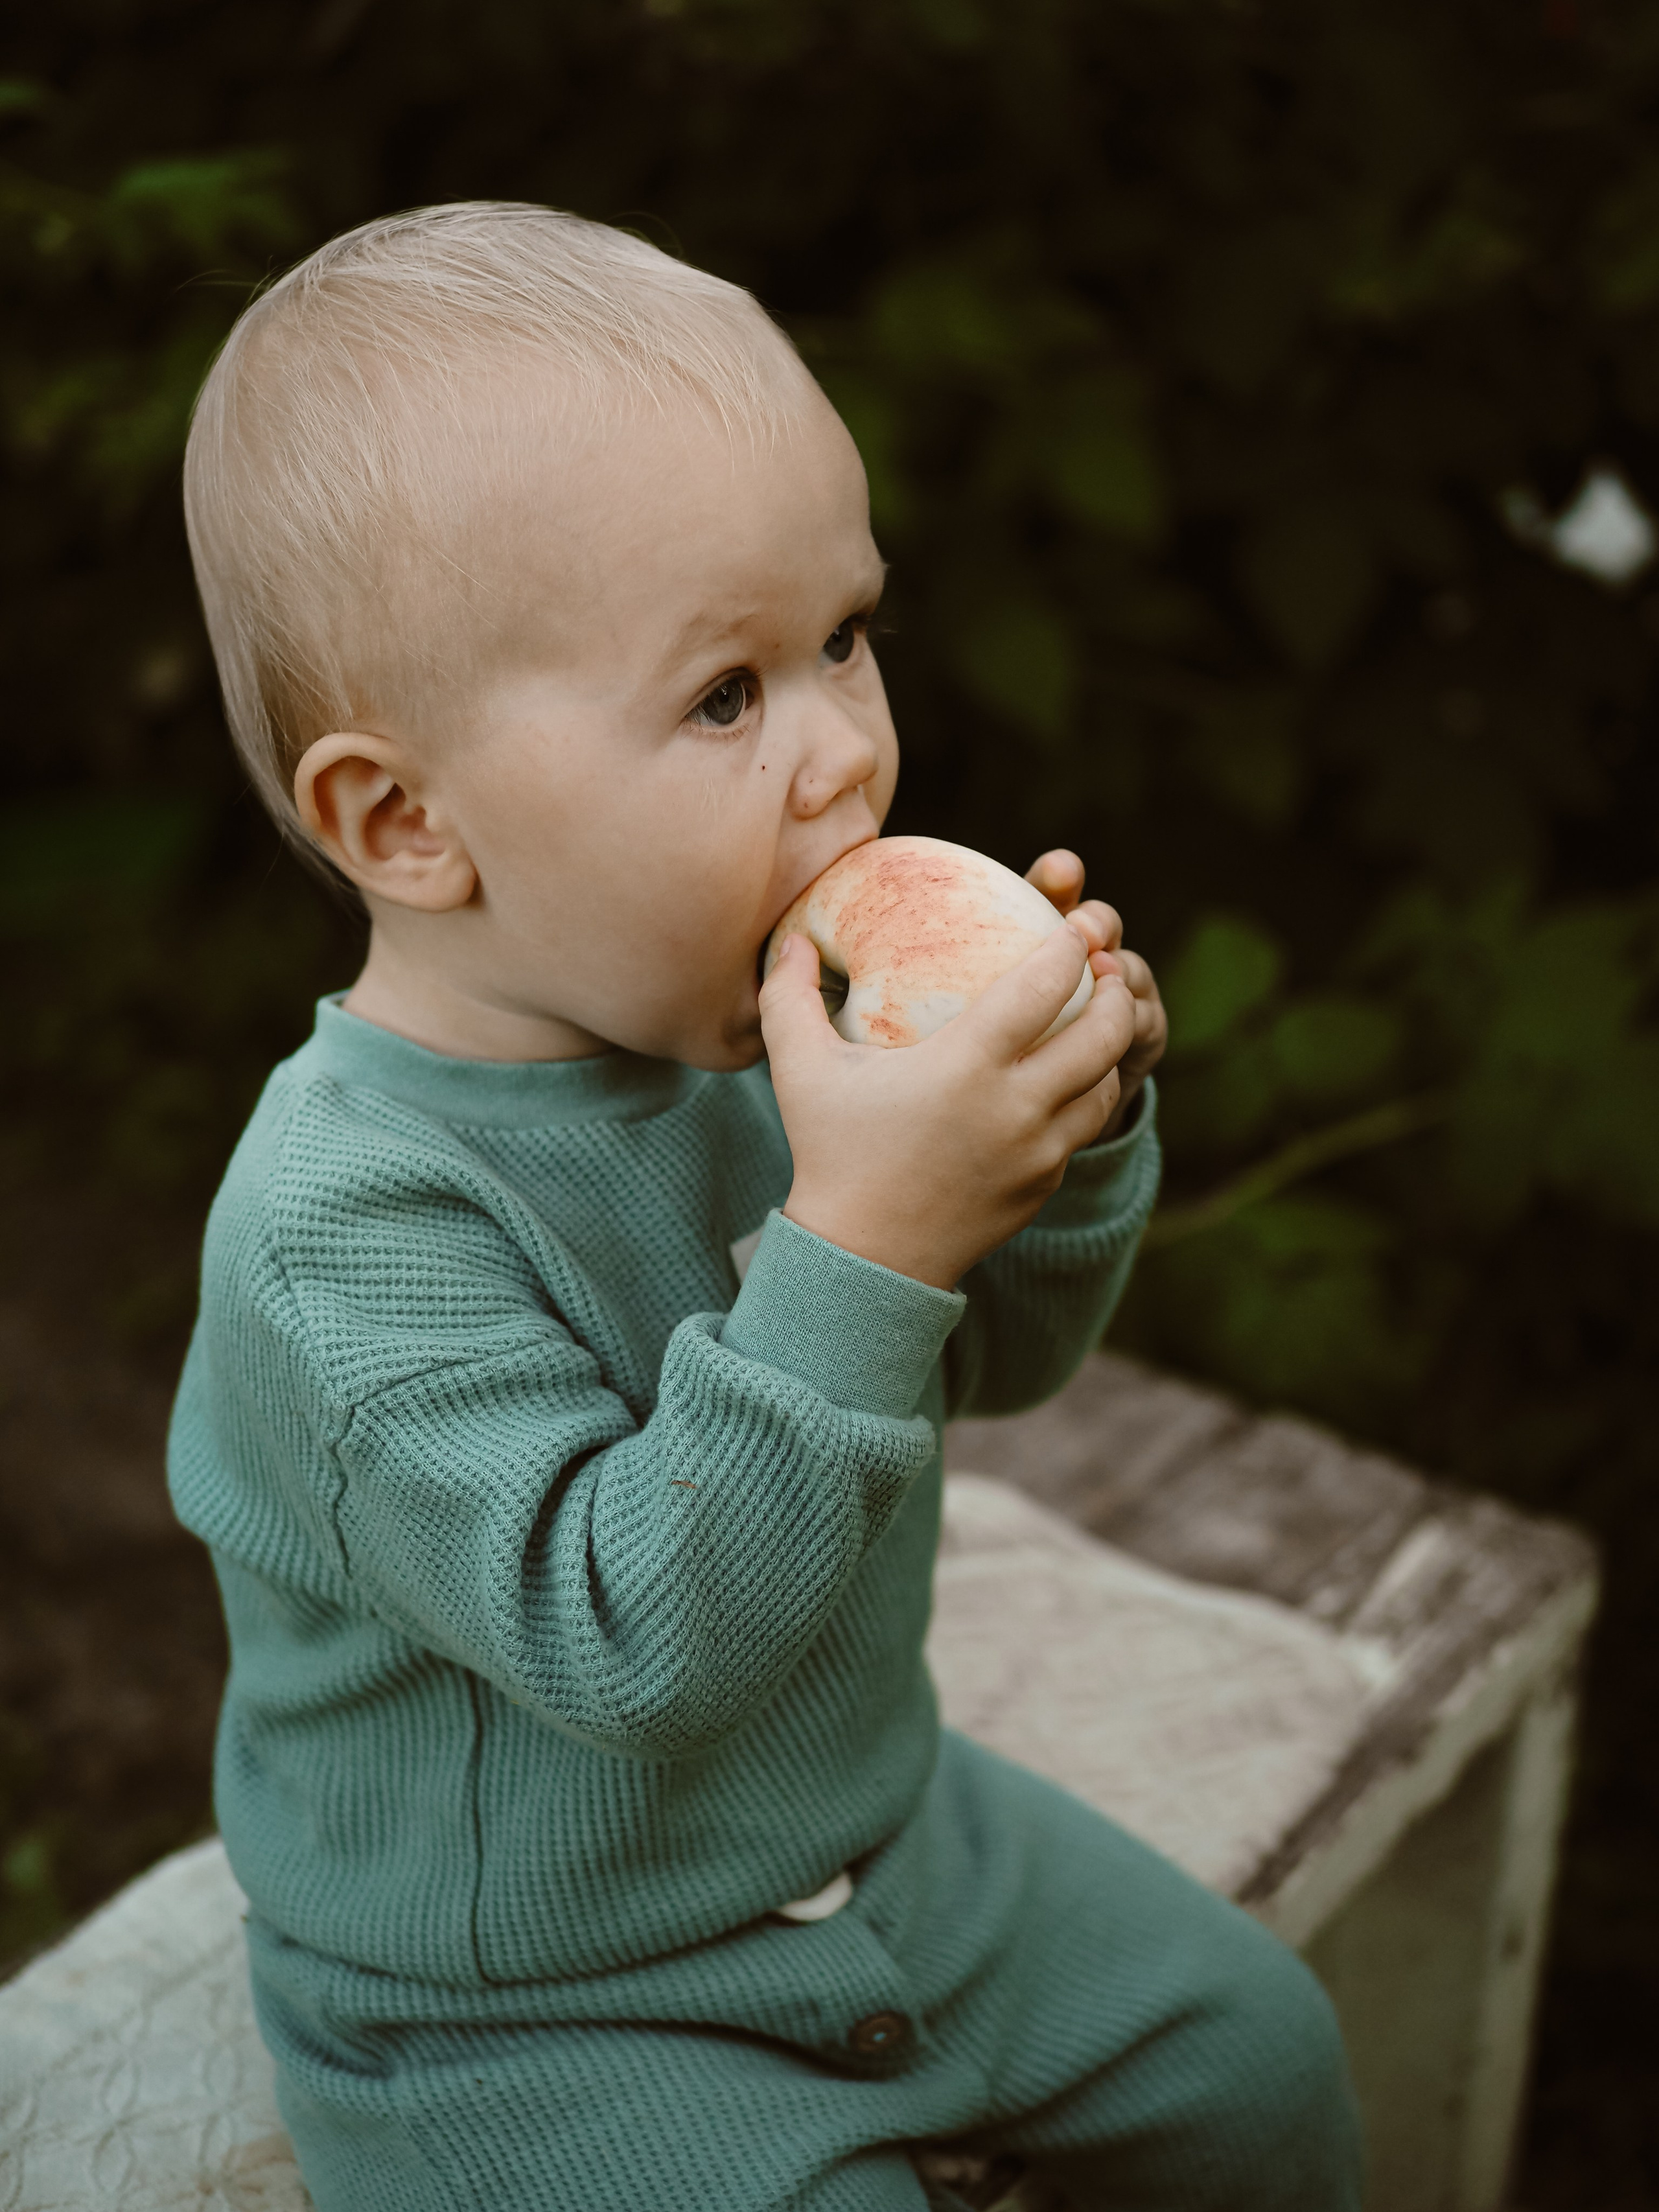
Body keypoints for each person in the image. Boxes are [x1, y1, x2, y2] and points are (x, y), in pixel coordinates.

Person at [170, 202, 1362, 2212]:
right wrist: (875, 1230)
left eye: (844, 637)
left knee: (1264, 2064)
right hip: (533, 2005)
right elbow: (631, 1647)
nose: (849, 756)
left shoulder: (764, 1035)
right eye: (727, 696)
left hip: (884, 1836)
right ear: (407, 823)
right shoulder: (342, 1235)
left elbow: (994, 1362)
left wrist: (1054, 1147)